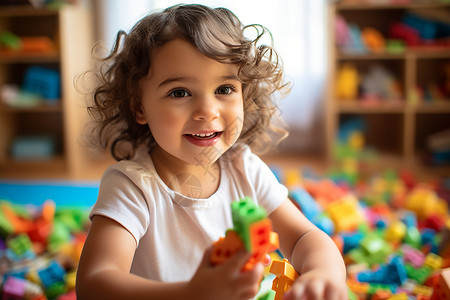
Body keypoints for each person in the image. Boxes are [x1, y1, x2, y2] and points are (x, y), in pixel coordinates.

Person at [76, 4, 347, 300]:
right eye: (179, 92)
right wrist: (192, 293)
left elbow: (304, 237)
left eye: (224, 89)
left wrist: (324, 272)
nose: (207, 111)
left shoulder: (245, 169)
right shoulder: (133, 187)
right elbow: (94, 283)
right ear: (139, 106)